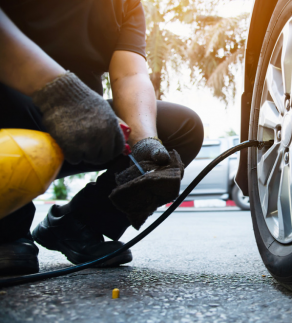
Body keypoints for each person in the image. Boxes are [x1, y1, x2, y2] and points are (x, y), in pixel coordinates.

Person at [0, 1, 204, 275]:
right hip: (12, 113)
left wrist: (145, 143)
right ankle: (8, 231)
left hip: (81, 124)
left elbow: (130, 73)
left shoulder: (125, 5)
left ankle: (79, 224)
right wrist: (60, 94)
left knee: (182, 127)